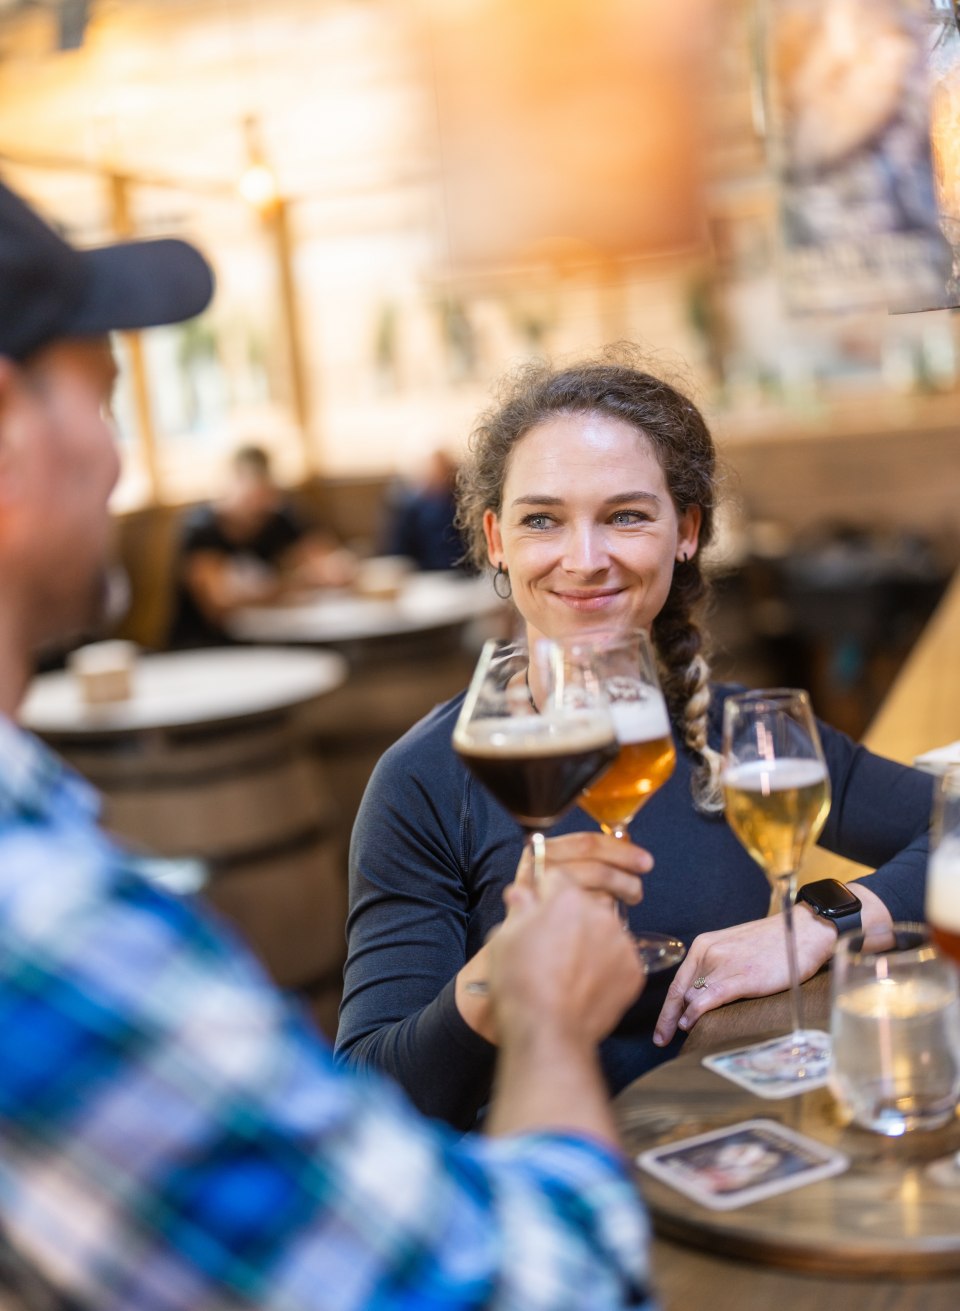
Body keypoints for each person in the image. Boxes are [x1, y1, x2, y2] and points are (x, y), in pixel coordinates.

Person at [0, 180, 655, 1308]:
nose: (114, 462)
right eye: (100, 399)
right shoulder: (38, 920)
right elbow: (539, 1289)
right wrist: (544, 1024)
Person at [336, 351, 935, 1130]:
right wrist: (499, 977)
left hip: (734, 1159)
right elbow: (370, 1095)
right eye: (542, 519)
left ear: (686, 532)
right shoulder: (426, 780)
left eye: (626, 515)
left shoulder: (747, 734)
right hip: (543, 1196)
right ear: (496, 540)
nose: (584, 561)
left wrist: (820, 922)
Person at [168, 443, 356, 647]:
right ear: (229, 485)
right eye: (250, 495)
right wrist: (290, 585)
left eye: (264, 493)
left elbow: (335, 565)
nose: (257, 504)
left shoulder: (278, 519)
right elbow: (219, 605)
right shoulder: (201, 530)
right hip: (208, 646)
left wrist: (323, 570)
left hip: (274, 637)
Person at [382, 447, 468, 571]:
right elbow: (399, 549)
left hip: (461, 572)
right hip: (425, 573)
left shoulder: (462, 504)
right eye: (432, 470)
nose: (436, 475)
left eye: (441, 469)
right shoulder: (411, 508)